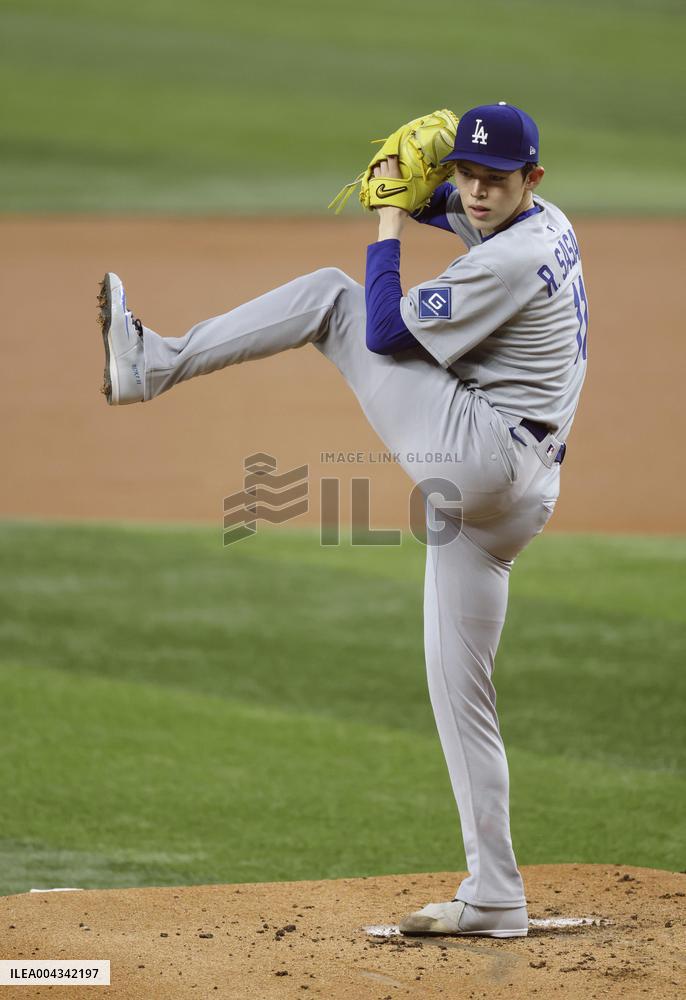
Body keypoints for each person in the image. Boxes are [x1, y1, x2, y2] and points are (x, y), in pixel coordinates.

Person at [97, 102, 588, 938]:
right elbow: (472, 226)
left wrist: (391, 214)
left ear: (530, 180)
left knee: (335, 298)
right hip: (519, 493)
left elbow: (391, 330)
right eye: (464, 172)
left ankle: (151, 364)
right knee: (460, 692)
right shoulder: (548, 227)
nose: (473, 189)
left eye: (492, 179)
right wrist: (426, 197)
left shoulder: (510, 261)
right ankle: (497, 894)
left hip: (483, 457)